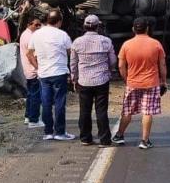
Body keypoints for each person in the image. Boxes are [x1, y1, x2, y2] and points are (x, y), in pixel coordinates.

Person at [112, 17, 167, 150]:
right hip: (150, 83)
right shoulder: (156, 44)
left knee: (127, 111)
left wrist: (126, 79)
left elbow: (120, 66)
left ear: (133, 29)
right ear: (147, 28)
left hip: (132, 83)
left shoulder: (126, 45)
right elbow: (162, 65)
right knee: (147, 112)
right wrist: (163, 81)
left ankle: (119, 135)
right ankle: (144, 140)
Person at [26, 9, 75, 141]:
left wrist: (37, 67)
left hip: (43, 74)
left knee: (46, 103)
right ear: (59, 22)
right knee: (59, 102)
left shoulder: (36, 35)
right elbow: (71, 52)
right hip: (59, 72)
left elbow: (29, 53)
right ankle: (60, 132)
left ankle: (48, 132)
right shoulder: (62, 34)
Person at [70, 14, 117, 147]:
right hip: (102, 80)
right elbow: (113, 61)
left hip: (84, 81)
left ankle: (85, 138)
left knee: (84, 110)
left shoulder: (77, 42)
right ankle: (104, 139)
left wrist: (74, 77)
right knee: (101, 110)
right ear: (98, 27)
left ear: (84, 26)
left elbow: (73, 63)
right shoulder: (106, 41)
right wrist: (108, 70)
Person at [19, 15, 45, 128]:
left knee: (30, 95)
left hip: (27, 70)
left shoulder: (25, 35)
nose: (38, 27)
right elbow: (31, 55)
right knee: (35, 96)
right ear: (29, 24)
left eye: (39, 24)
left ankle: (28, 116)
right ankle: (34, 120)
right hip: (33, 71)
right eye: (36, 25)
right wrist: (38, 68)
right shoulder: (30, 37)